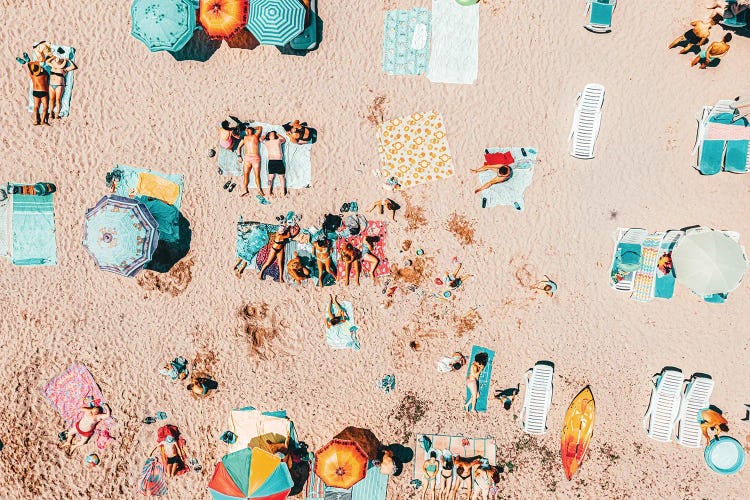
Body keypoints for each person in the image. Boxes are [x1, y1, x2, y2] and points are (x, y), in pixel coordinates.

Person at [47, 49, 78, 119]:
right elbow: (47, 61)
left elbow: (74, 67)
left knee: (58, 100)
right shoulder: (53, 66)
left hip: (59, 85)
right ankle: (51, 113)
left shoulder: (64, 69)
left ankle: (57, 114)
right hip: (51, 85)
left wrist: (68, 60)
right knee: (51, 99)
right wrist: (54, 57)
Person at [237, 125, 264, 197]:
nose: (249, 131)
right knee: (246, 174)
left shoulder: (255, 136)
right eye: (248, 130)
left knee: (257, 175)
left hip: (255, 157)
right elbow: (239, 147)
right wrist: (239, 156)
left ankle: (259, 189)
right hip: (247, 158)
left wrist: (252, 127)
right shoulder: (244, 138)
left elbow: (260, 128)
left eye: (251, 130)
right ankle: (245, 189)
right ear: (246, 132)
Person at [263, 131, 287, 197]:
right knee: (270, 178)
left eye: (273, 134)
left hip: (279, 161)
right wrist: (265, 135)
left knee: (281, 177)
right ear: (268, 136)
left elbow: (284, 140)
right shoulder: (267, 142)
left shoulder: (278, 140)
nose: (272, 134)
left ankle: (283, 191)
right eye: (270, 134)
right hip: (271, 161)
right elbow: (260, 139)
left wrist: (278, 134)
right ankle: (268, 191)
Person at [26, 60, 50, 126]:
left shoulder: (31, 75)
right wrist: (42, 70)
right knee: (45, 106)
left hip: (35, 91)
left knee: (36, 106)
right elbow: (47, 77)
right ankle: (42, 121)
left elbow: (30, 68)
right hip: (43, 91)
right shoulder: (44, 74)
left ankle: (36, 121)